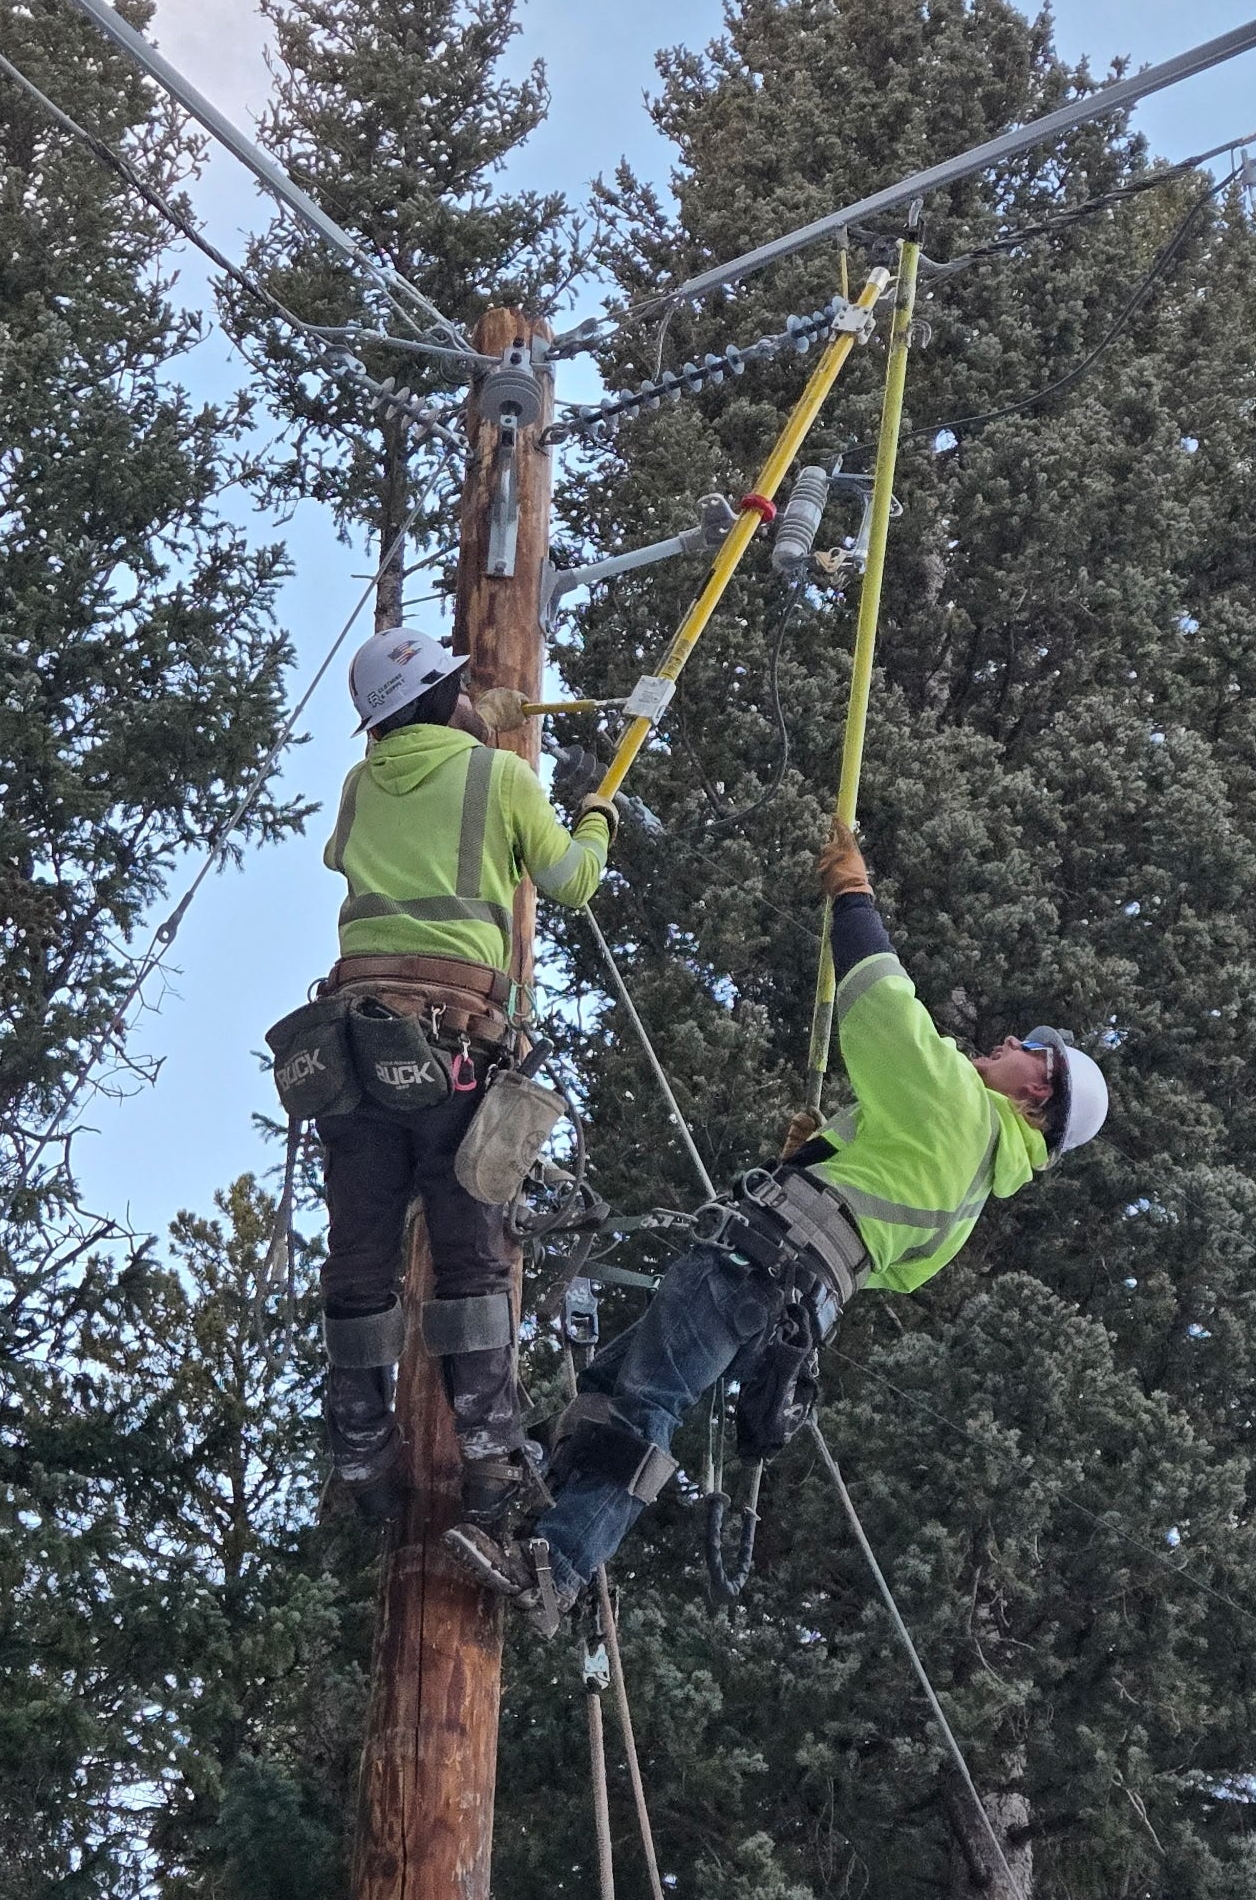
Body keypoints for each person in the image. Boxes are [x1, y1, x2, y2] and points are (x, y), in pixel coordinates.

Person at [446, 818, 1109, 1630]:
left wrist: (853, 893)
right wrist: (818, 1161)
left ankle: (560, 1565)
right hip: (786, 1307)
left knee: (644, 1402)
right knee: (613, 1392)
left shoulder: (962, 1102)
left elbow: (880, 1001)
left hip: (751, 1265)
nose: (1008, 1042)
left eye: (1028, 1052)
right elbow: (881, 1258)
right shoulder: (970, 1199)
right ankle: (527, 1497)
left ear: (1035, 1097)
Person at [311, 626, 614, 1526]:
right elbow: (574, 882)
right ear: (446, 697)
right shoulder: (503, 779)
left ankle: (363, 1459)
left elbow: (346, 855)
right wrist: (596, 812)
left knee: (359, 1260)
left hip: (356, 1052)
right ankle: (486, 1455)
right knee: (470, 1256)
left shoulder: (362, 784)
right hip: (455, 1048)